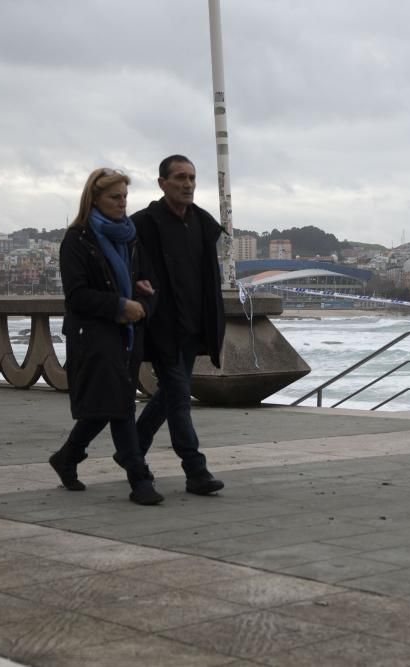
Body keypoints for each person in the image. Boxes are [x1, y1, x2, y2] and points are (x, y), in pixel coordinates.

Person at [50, 168, 164, 506]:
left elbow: (148, 282)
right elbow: (76, 295)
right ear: (94, 198)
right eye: (115, 197)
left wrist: (142, 304)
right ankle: (138, 477)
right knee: (120, 406)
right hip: (94, 334)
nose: (122, 204)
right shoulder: (77, 239)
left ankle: (68, 455)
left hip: (128, 332)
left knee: (107, 406)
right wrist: (119, 305)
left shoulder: (130, 237)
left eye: (125, 197)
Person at [129, 155, 226, 495]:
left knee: (171, 392)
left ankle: (129, 449)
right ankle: (196, 471)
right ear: (162, 183)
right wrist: (135, 282)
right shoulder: (143, 223)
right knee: (180, 396)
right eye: (180, 177)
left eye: (192, 178)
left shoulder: (201, 222)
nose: (187, 184)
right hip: (161, 324)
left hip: (192, 326)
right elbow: (126, 267)